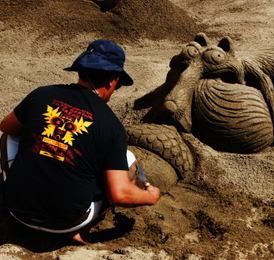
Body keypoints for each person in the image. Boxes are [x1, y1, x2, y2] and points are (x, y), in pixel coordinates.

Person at [0, 39, 160, 244]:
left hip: (17, 211)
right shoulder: (112, 126)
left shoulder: (42, 93)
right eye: (118, 85)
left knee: (12, 133)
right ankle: (81, 229)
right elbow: (120, 195)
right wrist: (152, 196)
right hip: (67, 222)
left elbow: (6, 127)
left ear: (81, 72)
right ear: (112, 80)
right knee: (127, 159)